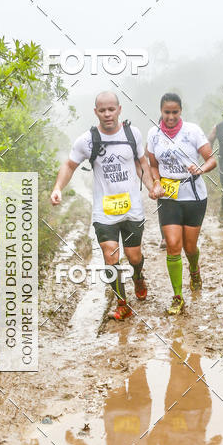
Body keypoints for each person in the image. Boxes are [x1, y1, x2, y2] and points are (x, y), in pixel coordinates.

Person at [51, 91, 154, 321]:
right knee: (111, 257)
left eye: (111, 109)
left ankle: (138, 275)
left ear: (119, 109)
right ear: (96, 112)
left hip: (131, 209)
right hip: (104, 211)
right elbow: (69, 165)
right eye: (102, 110)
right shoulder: (87, 140)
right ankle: (122, 302)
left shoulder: (132, 133)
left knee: (134, 256)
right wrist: (58, 187)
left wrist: (151, 185)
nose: (107, 114)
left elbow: (142, 163)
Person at [147, 92, 216, 315]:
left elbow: (211, 159)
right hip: (168, 197)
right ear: (161, 111)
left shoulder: (192, 131)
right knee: (173, 245)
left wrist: (201, 169)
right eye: (167, 112)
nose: (170, 117)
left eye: (175, 112)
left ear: (181, 111)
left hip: (194, 196)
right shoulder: (153, 134)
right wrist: (156, 183)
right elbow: (153, 165)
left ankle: (194, 269)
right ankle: (178, 297)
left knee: (189, 247)